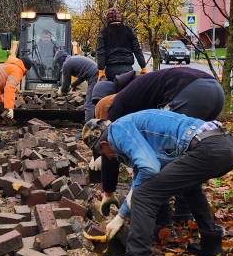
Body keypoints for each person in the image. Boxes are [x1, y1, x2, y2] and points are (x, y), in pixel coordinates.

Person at [81, 112, 233, 256]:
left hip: (210, 148)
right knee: (189, 186)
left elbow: (149, 170)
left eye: (103, 154)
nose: (109, 158)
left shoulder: (118, 129)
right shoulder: (132, 129)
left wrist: (121, 217)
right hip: (228, 146)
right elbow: (153, 169)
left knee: (144, 194)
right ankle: (210, 243)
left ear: (104, 144)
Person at [95, 67, 225, 227]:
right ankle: (184, 214)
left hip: (189, 92)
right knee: (186, 157)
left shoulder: (116, 109)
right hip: (215, 91)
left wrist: (108, 192)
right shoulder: (135, 98)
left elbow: (111, 148)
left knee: (159, 160)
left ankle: (162, 223)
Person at [96, 7, 147, 81]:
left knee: (111, 90)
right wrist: (143, 67)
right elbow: (137, 50)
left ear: (107, 19)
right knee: (128, 91)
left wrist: (100, 70)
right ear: (119, 18)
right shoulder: (129, 31)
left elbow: (101, 53)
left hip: (111, 71)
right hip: (128, 70)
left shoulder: (104, 33)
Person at [54, 50, 99, 122]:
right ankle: (88, 121)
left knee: (89, 104)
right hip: (96, 73)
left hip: (94, 76)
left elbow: (66, 83)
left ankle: (88, 127)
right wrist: (72, 85)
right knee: (89, 100)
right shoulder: (72, 60)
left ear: (60, 60)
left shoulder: (66, 64)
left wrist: (61, 90)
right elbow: (82, 77)